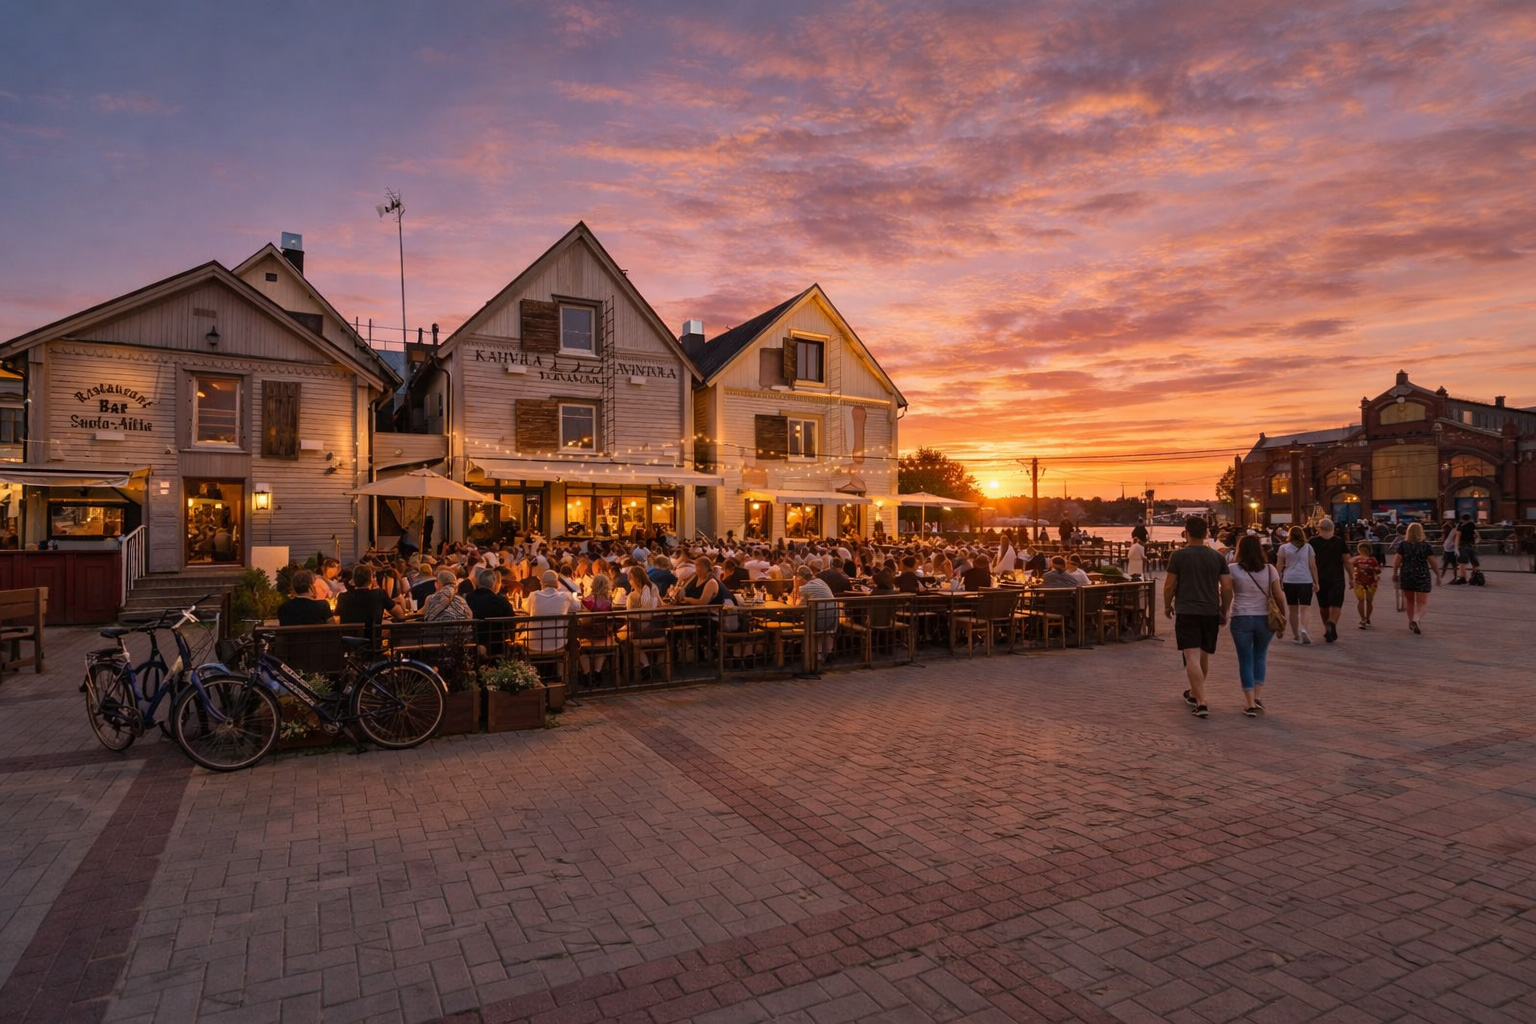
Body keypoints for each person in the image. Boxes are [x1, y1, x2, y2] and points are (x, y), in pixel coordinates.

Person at [1164, 517, 1232, 719]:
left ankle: (1201, 701)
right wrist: (1224, 609)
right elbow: (1227, 588)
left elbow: (1169, 586)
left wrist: (1167, 605)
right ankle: (1194, 693)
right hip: (1210, 611)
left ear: (1186, 532)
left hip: (1187, 610)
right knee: (1203, 655)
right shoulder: (1217, 558)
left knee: (1191, 655)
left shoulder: (1178, 556)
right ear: (1206, 534)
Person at [1227, 534, 1283, 717]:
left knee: (1245, 659)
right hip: (1264, 619)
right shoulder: (1270, 570)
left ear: (1240, 549)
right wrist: (1283, 618)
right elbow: (1279, 595)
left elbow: (1226, 592)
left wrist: (1223, 611)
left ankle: (1249, 702)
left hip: (1241, 617)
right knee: (1260, 656)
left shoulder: (1233, 569)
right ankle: (1257, 697)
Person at [335, 565, 406, 645]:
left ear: (353, 580)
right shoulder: (379, 594)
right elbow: (400, 615)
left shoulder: (342, 597)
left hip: (349, 644)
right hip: (372, 646)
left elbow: (336, 620)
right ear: (371, 579)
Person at [1308, 518, 1352, 643]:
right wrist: (1352, 577)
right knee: (1337, 604)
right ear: (1333, 529)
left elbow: (1309, 561)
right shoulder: (1339, 541)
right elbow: (1347, 561)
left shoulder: (1312, 542)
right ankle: (1332, 623)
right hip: (1337, 577)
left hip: (1319, 578)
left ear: (1319, 528)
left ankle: (1327, 628)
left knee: (1323, 605)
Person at [1392, 522, 1439, 634]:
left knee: (1409, 601)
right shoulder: (1426, 546)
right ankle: (1417, 619)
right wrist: (1438, 574)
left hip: (1407, 574)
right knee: (1422, 602)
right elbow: (1432, 561)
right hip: (1422, 574)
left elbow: (1397, 560)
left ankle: (1411, 621)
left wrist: (1394, 573)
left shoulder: (1403, 545)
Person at [1277, 526, 1318, 644]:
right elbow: (1313, 565)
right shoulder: (1308, 547)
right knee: (1305, 608)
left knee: (1293, 609)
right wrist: (1316, 581)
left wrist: (1277, 579)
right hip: (1305, 579)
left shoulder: (1283, 547)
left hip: (1289, 579)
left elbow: (1279, 565)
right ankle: (1304, 629)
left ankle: (1296, 634)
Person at [1352, 541, 1381, 629]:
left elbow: (1378, 571)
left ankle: (1365, 618)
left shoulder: (1360, 559)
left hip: (1364, 582)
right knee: (1365, 601)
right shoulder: (1369, 560)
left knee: (1364, 601)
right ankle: (1365, 618)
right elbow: (1378, 571)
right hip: (1366, 582)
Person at [1452, 514, 1480, 583]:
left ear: (1462, 519)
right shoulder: (1472, 525)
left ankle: (1463, 578)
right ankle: (1475, 576)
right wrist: (1475, 542)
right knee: (1473, 561)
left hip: (1462, 545)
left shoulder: (1460, 526)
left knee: (1462, 562)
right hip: (1471, 545)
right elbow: (1477, 535)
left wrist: (1456, 547)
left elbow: (1458, 536)